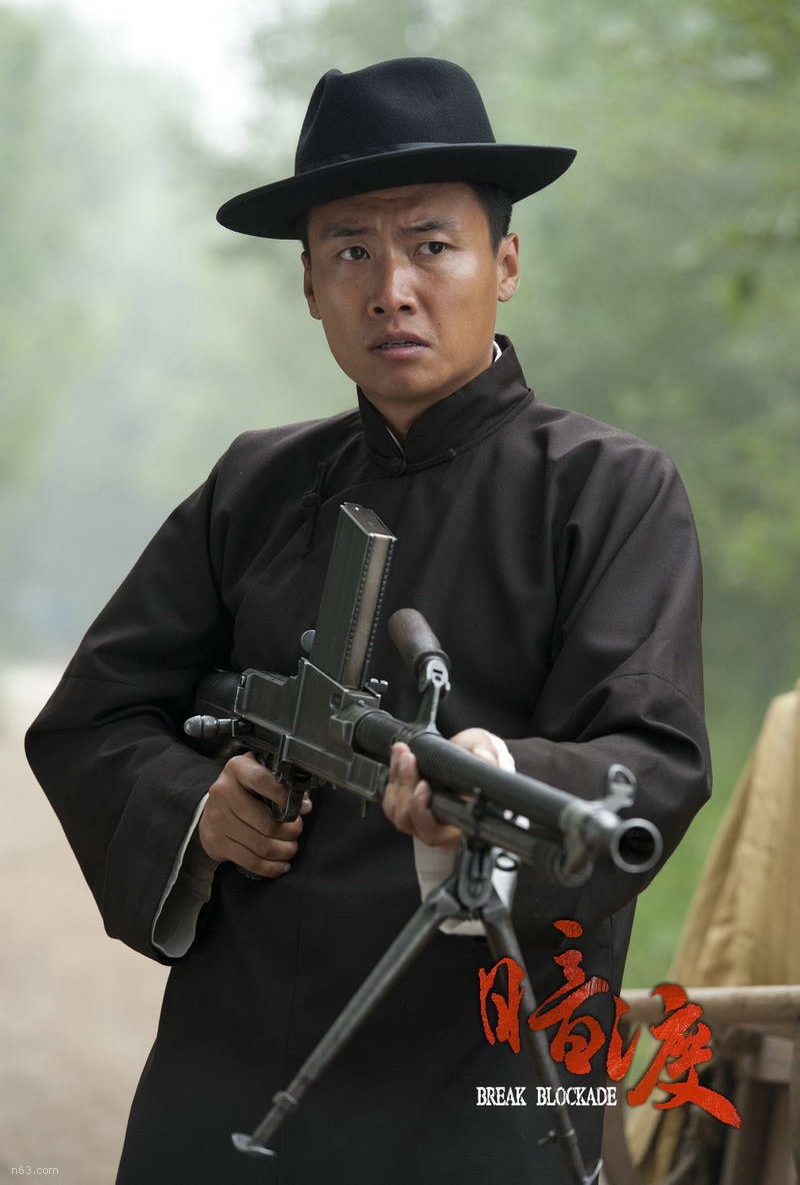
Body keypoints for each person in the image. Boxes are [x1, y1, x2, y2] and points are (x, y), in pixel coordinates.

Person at [25, 57, 711, 1184]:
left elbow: (653, 758)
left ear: (505, 264)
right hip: (233, 1064)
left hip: (493, 1074)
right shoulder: (254, 487)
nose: (391, 287)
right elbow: (92, 718)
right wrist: (198, 807)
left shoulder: (606, 489)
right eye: (350, 252)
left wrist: (498, 779)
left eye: (431, 245)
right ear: (309, 284)